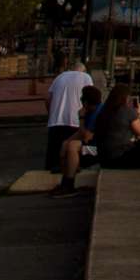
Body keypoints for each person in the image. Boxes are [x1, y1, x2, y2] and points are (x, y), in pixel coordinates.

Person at [45, 55, 94, 195]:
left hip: (56, 120)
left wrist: (52, 113)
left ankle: (52, 170)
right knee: (72, 150)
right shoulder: (86, 78)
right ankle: (70, 173)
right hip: (75, 119)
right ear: (83, 70)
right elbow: (91, 97)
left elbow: (47, 98)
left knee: (54, 153)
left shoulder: (60, 77)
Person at [90, 85, 140, 169]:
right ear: (126, 98)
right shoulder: (127, 111)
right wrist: (139, 113)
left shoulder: (103, 111)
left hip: (103, 159)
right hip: (120, 158)